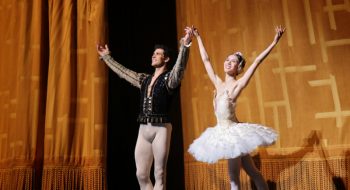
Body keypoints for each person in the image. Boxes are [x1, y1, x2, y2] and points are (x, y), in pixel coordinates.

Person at [188, 26, 285, 190]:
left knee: (234, 176)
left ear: (238, 68)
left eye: (233, 61)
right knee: (253, 172)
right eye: (227, 59)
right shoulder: (218, 83)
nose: (228, 62)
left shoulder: (238, 85)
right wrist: (198, 38)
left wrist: (274, 42)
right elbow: (206, 61)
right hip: (223, 131)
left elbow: (257, 62)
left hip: (233, 134)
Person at [97, 27, 193, 190]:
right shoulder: (144, 79)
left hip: (161, 129)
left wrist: (184, 46)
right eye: (153, 53)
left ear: (167, 58)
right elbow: (124, 73)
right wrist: (107, 58)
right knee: (141, 174)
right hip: (143, 129)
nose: (153, 55)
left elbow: (179, 69)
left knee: (159, 174)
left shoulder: (169, 79)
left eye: (158, 53)